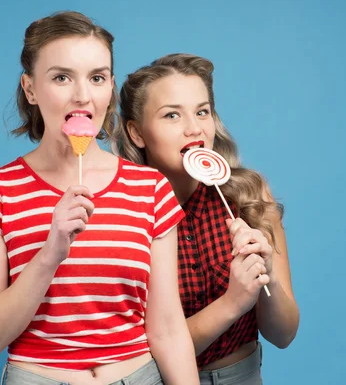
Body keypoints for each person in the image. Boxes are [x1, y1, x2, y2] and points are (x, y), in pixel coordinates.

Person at [0, 13, 199, 385]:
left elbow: (168, 330)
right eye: (61, 77)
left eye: (97, 78)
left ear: (111, 87)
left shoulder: (149, 188)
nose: (82, 96)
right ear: (30, 89)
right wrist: (51, 252)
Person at [111, 53, 300, 384]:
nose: (194, 129)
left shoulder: (249, 196)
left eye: (202, 112)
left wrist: (265, 274)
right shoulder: (122, 215)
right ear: (137, 133)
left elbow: (283, 334)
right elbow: (143, 356)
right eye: (172, 115)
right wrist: (233, 303)